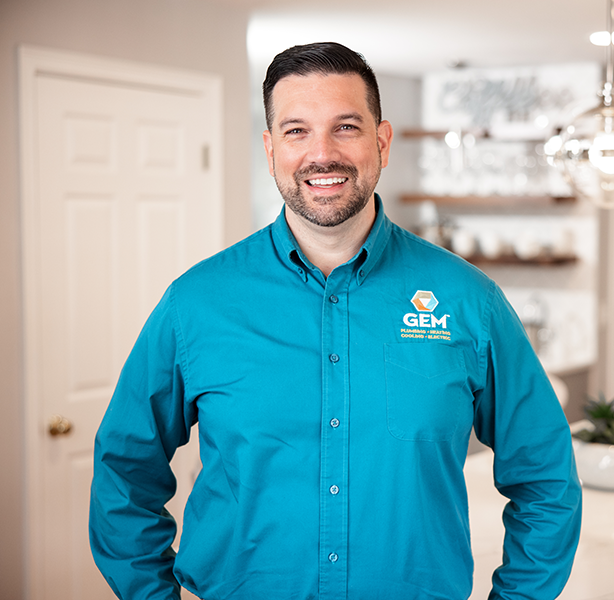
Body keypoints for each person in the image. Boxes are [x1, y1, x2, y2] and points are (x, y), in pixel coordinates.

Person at [89, 41, 582, 600]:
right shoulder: (196, 304)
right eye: (297, 131)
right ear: (271, 150)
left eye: (345, 126)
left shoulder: (469, 301)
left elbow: (545, 477)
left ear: (382, 141)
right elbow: (124, 470)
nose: (322, 154)